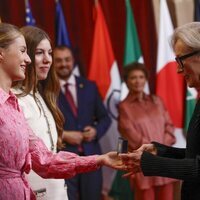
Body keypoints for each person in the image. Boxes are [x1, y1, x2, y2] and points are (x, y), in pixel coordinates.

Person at [0, 22, 125, 200]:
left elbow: (44, 159)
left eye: (49, 53)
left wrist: (99, 159)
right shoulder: (16, 100)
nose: (28, 59)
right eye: (24, 51)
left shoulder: (18, 103)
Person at [120, 22, 200, 200]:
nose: (178, 70)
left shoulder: (157, 101)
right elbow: (194, 156)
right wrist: (160, 151)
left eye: (181, 60)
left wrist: (148, 161)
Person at [13, 25, 68, 200]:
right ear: (25, 56)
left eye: (49, 53)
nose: (47, 60)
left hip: (58, 191)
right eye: (39, 53)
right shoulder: (13, 100)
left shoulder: (43, 95)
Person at [53, 46, 111, 200]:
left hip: (90, 157)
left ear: (73, 61)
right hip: (62, 158)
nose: (63, 64)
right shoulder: (47, 90)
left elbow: (105, 117)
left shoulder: (89, 86)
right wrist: (63, 135)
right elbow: (41, 125)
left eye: (67, 60)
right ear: (52, 63)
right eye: (58, 60)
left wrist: (95, 131)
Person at [118, 62, 176, 200]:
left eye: (141, 77)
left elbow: (169, 128)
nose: (138, 81)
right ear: (126, 81)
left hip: (164, 160)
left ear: (146, 79)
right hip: (143, 162)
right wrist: (155, 150)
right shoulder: (124, 107)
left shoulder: (157, 100)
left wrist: (161, 149)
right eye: (133, 78)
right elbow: (130, 135)